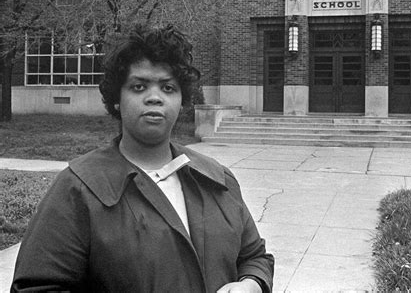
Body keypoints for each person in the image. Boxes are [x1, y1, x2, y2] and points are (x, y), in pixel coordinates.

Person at [11, 24, 274, 292]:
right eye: (138, 87)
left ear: (182, 100)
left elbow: (255, 257)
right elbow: (36, 286)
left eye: (168, 88)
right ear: (117, 99)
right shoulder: (78, 189)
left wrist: (252, 283)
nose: (154, 98)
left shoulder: (218, 180)